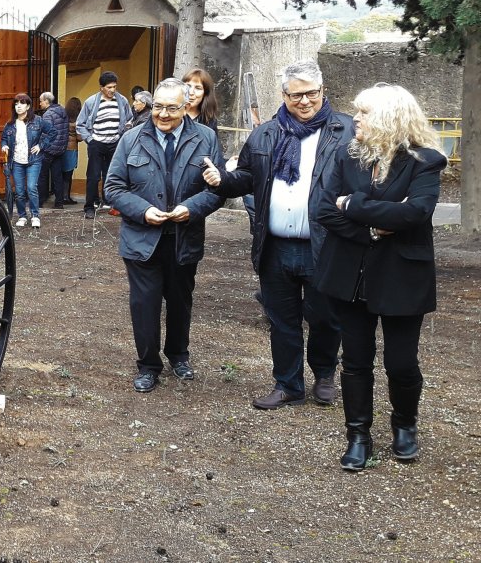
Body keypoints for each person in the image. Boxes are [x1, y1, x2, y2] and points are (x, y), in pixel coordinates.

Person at [202, 60, 354, 409]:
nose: (304, 101)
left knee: (325, 317)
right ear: (283, 95)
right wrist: (222, 181)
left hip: (325, 244)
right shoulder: (266, 133)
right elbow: (246, 177)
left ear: (323, 91)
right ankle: (288, 385)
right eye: (296, 95)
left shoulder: (345, 131)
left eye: (311, 93)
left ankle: (324, 376)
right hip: (275, 246)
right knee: (282, 320)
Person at [314, 84, 446, 471]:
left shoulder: (426, 161)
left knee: (401, 362)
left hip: (402, 275)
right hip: (349, 274)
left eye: (365, 113)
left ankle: (405, 427)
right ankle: (359, 436)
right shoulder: (346, 156)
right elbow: (324, 209)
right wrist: (373, 226)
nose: (355, 118)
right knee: (355, 360)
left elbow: (415, 214)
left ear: (390, 118)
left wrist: (354, 204)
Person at [105, 78, 225, 393]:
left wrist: (192, 208)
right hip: (142, 239)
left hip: (184, 237)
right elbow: (113, 187)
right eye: (158, 106)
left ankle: (178, 355)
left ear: (186, 107)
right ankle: (148, 365)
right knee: (144, 304)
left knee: (180, 300)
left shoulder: (206, 138)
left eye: (172, 108)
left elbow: (217, 190)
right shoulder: (131, 138)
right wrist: (143, 210)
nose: (163, 114)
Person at [77, 71, 133, 219]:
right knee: (93, 176)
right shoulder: (91, 102)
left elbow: (129, 119)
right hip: (97, 143)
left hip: (115, 143)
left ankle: (111, 203)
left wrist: (125, 132)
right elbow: (80, 124)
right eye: (109, 87)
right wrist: (90, 139)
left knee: (112, 175)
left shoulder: (122, 101)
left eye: (114, 87)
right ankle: (89, 207)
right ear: (101, 87)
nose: (112, 90)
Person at [0, 92, 55, 228]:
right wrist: (4, 145)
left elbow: (53, 132)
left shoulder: (38, 120)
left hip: (34, 160)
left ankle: (35, 215)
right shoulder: (10, 124)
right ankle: (22, 216)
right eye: (16, 104)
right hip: (17, 161)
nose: (18, 106)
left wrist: (41, 146)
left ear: (28, 106)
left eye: (22, 104)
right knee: (19, 191)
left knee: (31, 188)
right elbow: (4, 138)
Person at [36, 92, 70, 209]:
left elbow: (46, 134)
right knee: (57, 176)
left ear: (46, 101)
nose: (39, 104)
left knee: (42, 176)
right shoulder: (62, 111)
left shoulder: (48, 115)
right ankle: (59, 202)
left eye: (41, 101)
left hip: (48, 149)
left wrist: (40, 146)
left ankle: (39, 201)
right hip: (60, 149)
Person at [182, 68, 220, 135]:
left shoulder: (209, 120)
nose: (191, 92)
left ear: (205, 93)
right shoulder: (172, 114)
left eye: (198, 88)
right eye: (188, 86)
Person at [61, 97, 82, 204]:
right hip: (72, 149)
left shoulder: (63, 119)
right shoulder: (77, 122)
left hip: (62, 149)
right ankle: (66, 197)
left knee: (62, 174)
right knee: (68, 175)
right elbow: (79, 138)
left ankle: (61, 197)